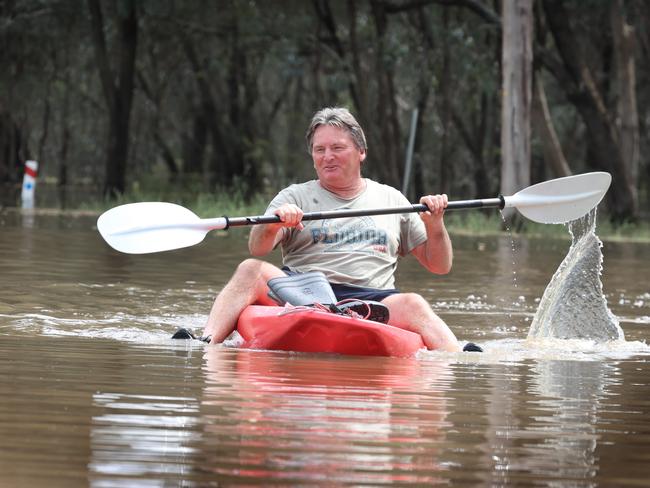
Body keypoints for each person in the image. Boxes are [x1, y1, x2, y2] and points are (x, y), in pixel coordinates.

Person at [202, 107, 463, 352]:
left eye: (337, 147)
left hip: (373, 301)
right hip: (303, 291)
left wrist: (435, 223)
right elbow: (258, 247)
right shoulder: (293, 196)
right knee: (250, 269)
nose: (327, 157)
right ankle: (205, 340)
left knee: (414, 303)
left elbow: (440, 266)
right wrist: (274, 224)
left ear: (361, 151)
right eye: (320, 149)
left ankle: (460, 356)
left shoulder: (392, 199)